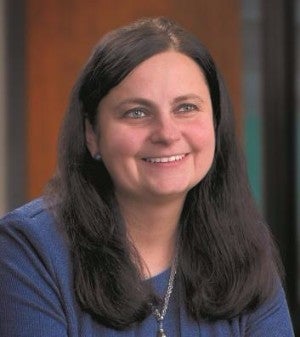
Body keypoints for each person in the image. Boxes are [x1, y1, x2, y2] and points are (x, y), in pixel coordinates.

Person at [0, 17, 295, 336]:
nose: (167, 133)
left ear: (214, 123)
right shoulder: (28, 250)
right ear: (92, 134)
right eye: (136, 112)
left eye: (186, 107)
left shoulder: (245, 248)